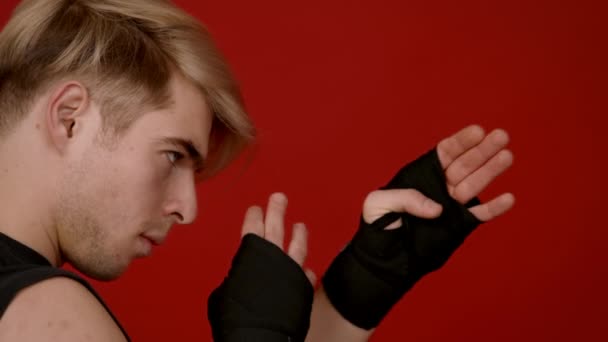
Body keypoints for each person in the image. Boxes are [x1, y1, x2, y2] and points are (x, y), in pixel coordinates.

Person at [0, 0, 514, 341]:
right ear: (70, 119)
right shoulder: (48, 315)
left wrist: (361, 287)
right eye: (173, 155)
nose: (188, 208)